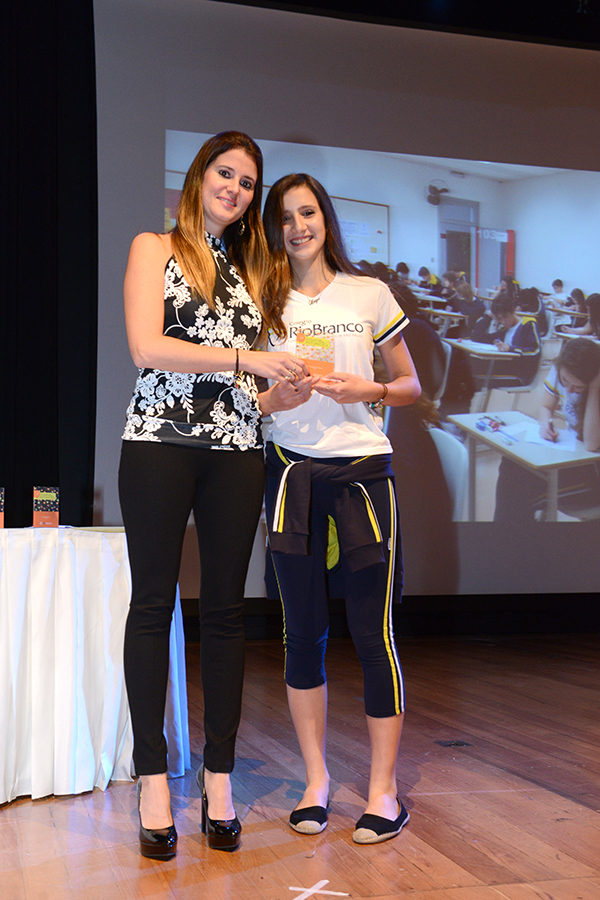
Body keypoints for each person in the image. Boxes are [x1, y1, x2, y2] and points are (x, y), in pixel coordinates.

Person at [119, 131, 311, 859]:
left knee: (228, 614)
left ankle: (219, 779)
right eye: (224, 173)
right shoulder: (154, 247)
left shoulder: (253, 269)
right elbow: (147, 348)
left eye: (247, 182)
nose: (234, 188)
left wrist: (277, 394)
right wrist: (245, 358)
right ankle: (152, 780)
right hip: (158, 443)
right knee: (152, 605)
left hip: (236, 450)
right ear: (200, 176)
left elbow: (249, 393)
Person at [261, 173, 421, 845]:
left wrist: (370, 388)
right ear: (273, 229)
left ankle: (383, 792)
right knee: (302, 633)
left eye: (308, 212)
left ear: (325, 219)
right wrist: (273, 400)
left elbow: (410, 385)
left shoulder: (369, 293)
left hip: (363, 475)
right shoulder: (260, 299)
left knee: (373, 633)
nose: (299, 226)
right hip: (291, 473)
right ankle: (316, 782)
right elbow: (247, 401)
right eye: (285, 216)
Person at [494, 338, 600, 521]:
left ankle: (508, 535)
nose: (569, 390)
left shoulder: (595, 388)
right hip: (575, 456)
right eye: (565, 381)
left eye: (578, 387)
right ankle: (507, 534)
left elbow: (591, 444)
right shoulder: (562, 370)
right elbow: (546, 406)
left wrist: (594, 389)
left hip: (594, 474)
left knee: (522, 490)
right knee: (511, 465)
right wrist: (545, 423)